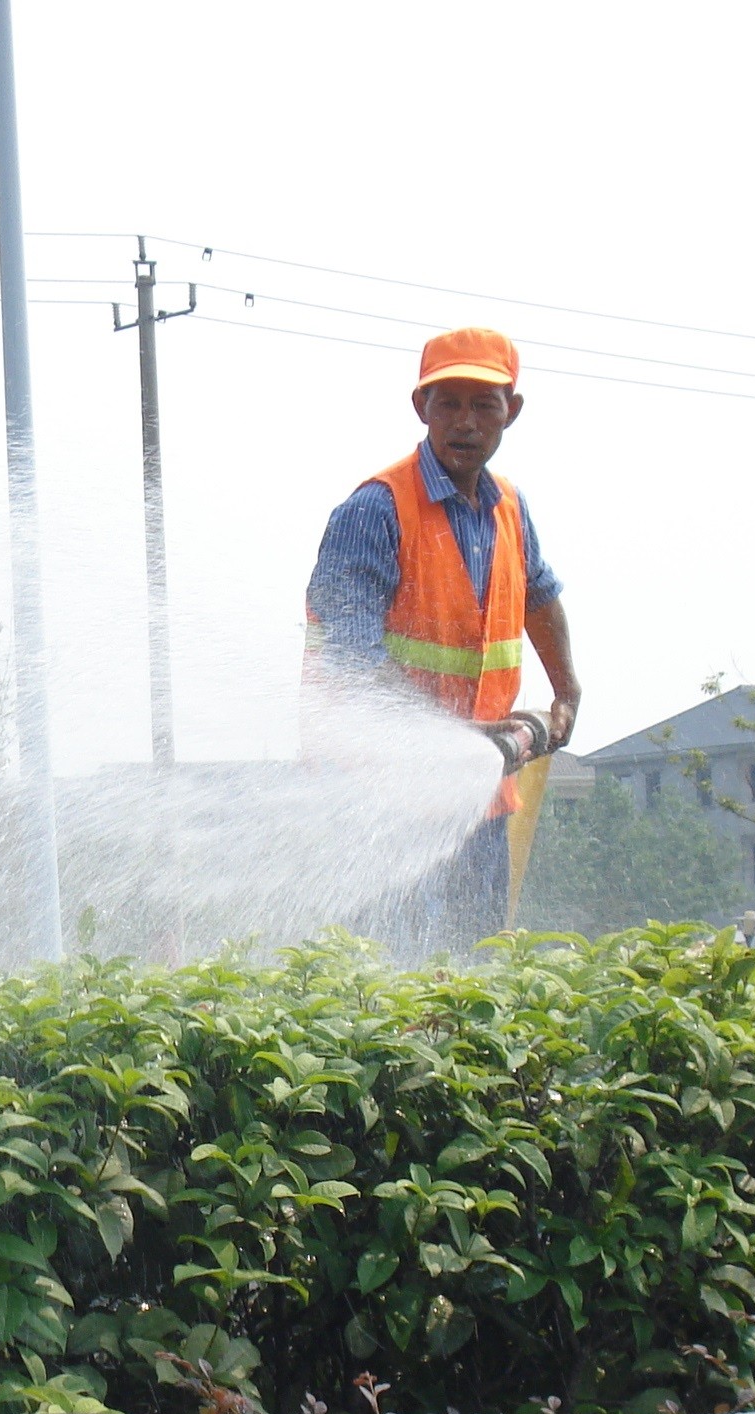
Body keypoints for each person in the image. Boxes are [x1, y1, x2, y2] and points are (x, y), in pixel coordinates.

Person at [303, 326, 583, 954]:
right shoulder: (375, 511)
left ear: (512, 411)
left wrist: (566, 692)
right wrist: (438, 741)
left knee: (474, 978)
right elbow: (351, 661)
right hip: (379, 805)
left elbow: (539, 593)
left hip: (478, 804)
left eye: (484, 404)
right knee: (388, 985)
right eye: (448, 402)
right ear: (420, 407)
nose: (465, 421)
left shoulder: (510, 507)